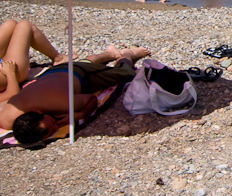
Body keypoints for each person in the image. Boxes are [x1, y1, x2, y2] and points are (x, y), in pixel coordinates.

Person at [0, 44, 151, 145]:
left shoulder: (61, 103)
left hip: (76, 73)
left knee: (125, 73)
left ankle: (128, 54)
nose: (56, 125)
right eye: (53, 129)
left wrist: (78, 115)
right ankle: (107, 53)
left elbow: (91, 99)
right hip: (52, 74)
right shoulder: (7, 119)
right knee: (86, 63)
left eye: (52, 123)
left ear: (38, 112)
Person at [0, 19, 67, 99]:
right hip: (9, 72)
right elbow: (12, 94)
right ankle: (58, 58)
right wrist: (10, 73)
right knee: (25, 26)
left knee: (10, 24)